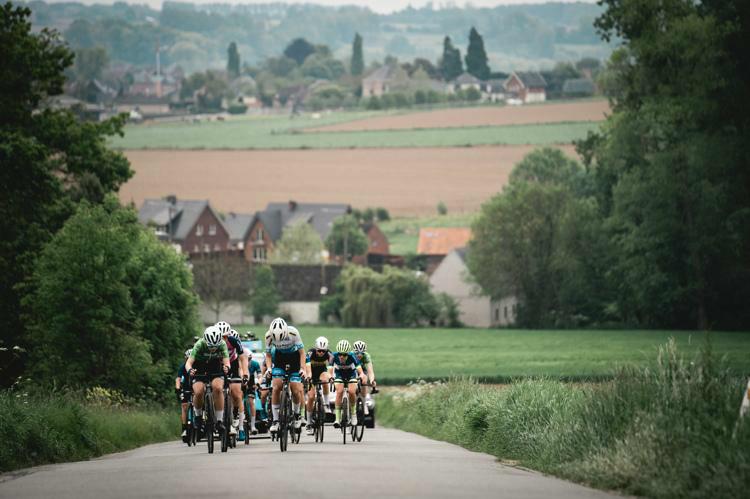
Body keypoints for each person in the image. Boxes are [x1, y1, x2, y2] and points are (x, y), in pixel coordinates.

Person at [185, 326, 230, 434]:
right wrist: (190, 370)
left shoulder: (222, 344)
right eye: (210, 347)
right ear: (205, 341)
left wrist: (227, 367)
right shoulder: (199, 344)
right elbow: (189, 363)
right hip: (199, 366)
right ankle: (198, 416)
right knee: (198, 391)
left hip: (215, 365)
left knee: (218, 388)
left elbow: (227, 361)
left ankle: (219, 421)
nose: (213, 349)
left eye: (215, 347)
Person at [264, 318, 306, 433]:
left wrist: (303, 369)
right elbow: (268, 355)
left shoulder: (293, 332)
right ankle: (276, 420)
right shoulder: (268, 336)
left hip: (294, 358)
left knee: (296, 388)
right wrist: (268, 368)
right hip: (279, 358)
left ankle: (297, 414)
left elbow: (302, 353)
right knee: (276, 387)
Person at [219, 325, 249, 438]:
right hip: (219, 365)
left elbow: (242, 358)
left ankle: (239, 422)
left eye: (226, 337)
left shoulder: (234, 341)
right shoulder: (214, 343)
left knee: (236, 393)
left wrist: (245, 373)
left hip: (233, 364)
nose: (224, 340)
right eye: (221, 337)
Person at [331, 339, 367, 429]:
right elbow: (329, 370)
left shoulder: (352, 356)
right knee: (339, 391)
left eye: (344, 355)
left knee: (351, 391)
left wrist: (362, 375)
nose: (342, 357)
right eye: (340, 354)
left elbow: (360, 370)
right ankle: (337, 419)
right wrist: (330, 377)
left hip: (351, 374)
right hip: (339, 374)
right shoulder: (333, 356)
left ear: (348, 354)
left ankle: (353, 414)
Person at [305, 336, 334, 435]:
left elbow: (330, 370)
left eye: (323, 351)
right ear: (315, 348)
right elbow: (307, 367)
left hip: (322, 372)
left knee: (326, 379)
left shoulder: (330, 354)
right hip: (311, 374)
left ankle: (326, 404)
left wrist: (331, 377)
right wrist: (308, 378)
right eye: (319, 351)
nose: (321, 353)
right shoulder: (310, 353)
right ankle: (308, 422)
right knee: (311, 396)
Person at [240, 349, 263, 439]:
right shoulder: (240, 363)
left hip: (251, 383)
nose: (247, 362)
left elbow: (260, 376)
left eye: (249, 360)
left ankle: (253, 425)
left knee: (251, 401)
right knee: (239, 399)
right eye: (246, 359)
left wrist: (258, 384)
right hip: (241, 382)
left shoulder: (255, 364)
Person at [352, 340, 377, 415]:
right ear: (354, 352)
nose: (359, 355)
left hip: (363, 370)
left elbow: (370, 371)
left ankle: (364, 402)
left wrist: (372, 380)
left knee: (364, 381)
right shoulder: (351, 355)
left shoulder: (366, 356)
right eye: (357, 353)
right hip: (352, 370)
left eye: (361, 353)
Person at [175, 349, 192, 442]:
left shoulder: (198, 365)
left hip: (196, 387)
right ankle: (184, 428)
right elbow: (178, 378)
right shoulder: (183, 367)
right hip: (186, 388)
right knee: (184, 406)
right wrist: (177, 388)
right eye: (187, 358)